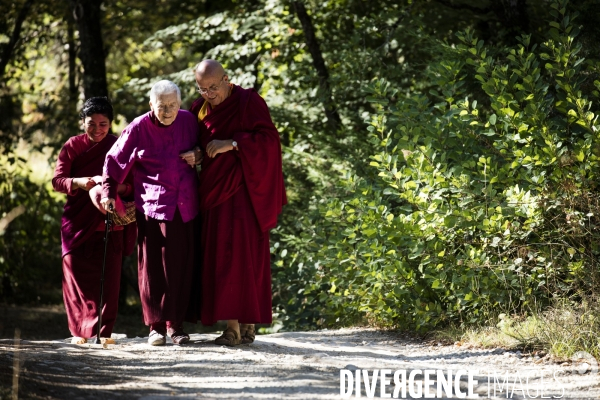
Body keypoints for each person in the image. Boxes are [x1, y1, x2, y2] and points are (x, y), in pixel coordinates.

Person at [190, 60, 286, 346]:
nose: (209, 93)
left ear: (227, 80)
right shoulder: (198, 109)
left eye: (213, 87)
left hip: (245, 194)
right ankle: (233, 327)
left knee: (245, 258)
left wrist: (231, 143)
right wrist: (197, 153)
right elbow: (198, 143)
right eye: (202, 88)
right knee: (222, 258)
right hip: (215, 194)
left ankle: (246, 325)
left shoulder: (248, 102)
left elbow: (269, 141)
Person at [101, 80, 201, 346]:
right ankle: (156, 327)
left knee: (181, 265)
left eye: (172, 105)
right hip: (154, 204)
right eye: (161, 106)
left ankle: (176, 326)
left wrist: (198, 154)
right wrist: (108, 193)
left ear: (179, 104)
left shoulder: (189, 121)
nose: (167, 111)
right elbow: (113, 159)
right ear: (151, 105)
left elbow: (203, 149)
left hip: (186, 204)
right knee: (153, 267)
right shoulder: (138, 127)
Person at [52, 97, 135, 345]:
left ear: (110, 124)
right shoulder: (73, 146)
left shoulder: (118, 145)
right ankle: (80, 332)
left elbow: (133, 183)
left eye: (103, 124)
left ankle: (103, 332)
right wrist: (80, 182)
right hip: (78, 222)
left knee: (109, 282)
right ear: (82, 122)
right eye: (91, 124)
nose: (97, 130)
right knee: (77, 279)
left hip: (111, 222)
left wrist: (113, 188)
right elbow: (58, 181)